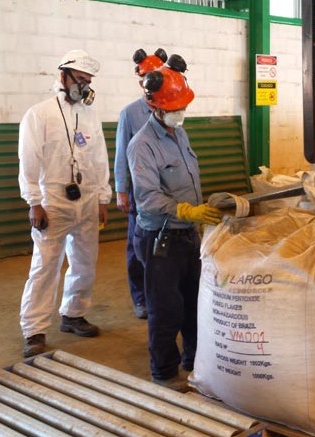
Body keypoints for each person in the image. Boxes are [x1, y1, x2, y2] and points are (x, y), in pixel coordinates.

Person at [127, 57, 222, 389]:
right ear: (154, 106)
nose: (179, 112)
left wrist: (202, 206)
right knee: (165, 310)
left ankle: (194, 362)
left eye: (182, 106)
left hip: (186, 237)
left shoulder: (179, 135)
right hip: (159, 239)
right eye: (173, 107)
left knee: (193, 305)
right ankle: (164, 372)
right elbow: (148, 198)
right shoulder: (142, 145)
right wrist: (186, 211)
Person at [18, 49, 112, 358]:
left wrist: (102, 197)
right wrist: (34, 202)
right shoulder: (39, 114)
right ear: (63, 76)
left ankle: (73, 314)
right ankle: (34, 330)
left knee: (85, 262)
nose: (84, 86)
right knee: (45, 267)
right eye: (80, 79)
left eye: (88, 81)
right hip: (53, 203)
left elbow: (99, 159)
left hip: (85, 202)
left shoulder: (88, 115)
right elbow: (28, 161)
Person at [115, 47, 168, 319]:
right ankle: (141, 298)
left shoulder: (170, 107)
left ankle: (161, 292)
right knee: (137, 247)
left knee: (164, 245)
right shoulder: (130, 114)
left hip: (166, 188)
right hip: (140, 191)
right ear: (140, 81)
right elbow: (122, 153)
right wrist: (121, 190)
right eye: (148, 77)